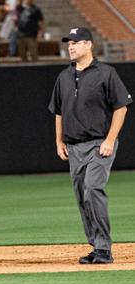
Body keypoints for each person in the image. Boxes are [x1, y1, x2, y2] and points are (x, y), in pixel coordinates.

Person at [48, 27, 132, 264]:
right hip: (74, 147)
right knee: (82, 196)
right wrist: (58, 140)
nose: (70, 47)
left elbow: (121, 107)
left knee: (93, 189)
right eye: (69, 43)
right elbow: (58, 111)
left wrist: (109, 139)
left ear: (88, 45)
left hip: (99, 144)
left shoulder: (106, 72)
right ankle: (96, 246)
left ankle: (104, 248)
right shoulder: (64, 76)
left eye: (75, 42)